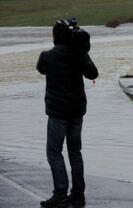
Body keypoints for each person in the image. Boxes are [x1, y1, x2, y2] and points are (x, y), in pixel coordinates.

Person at [36, 19, 98, 208]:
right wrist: (81, 50)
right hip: (77, 112)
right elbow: (93, 74)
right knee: (75, 152)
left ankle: (60, 193)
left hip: (57, 113)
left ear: (55, 36)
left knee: (54, 152)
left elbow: (41, 68)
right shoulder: (78, 55)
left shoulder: (48, 56)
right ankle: (78, 195)